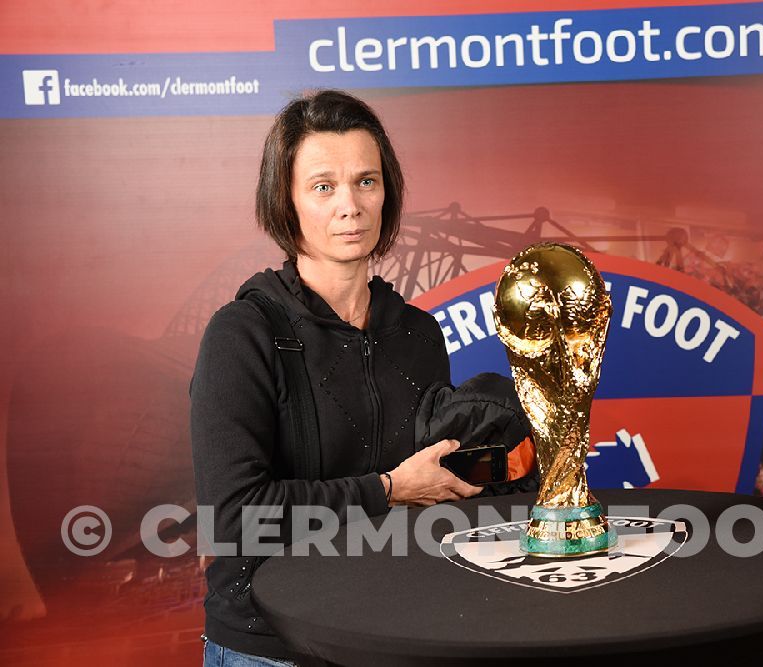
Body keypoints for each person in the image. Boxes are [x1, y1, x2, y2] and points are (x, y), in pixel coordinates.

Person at [190, 90, 531, 666]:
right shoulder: (242, 335)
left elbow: (432, 485)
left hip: (395, 634)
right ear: (287, 203)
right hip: (273, 647)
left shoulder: (419, 335)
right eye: (323, 186)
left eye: (366, 182)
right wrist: (390, 489)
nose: (350, 205)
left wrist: (493, 470)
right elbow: (233, 518)